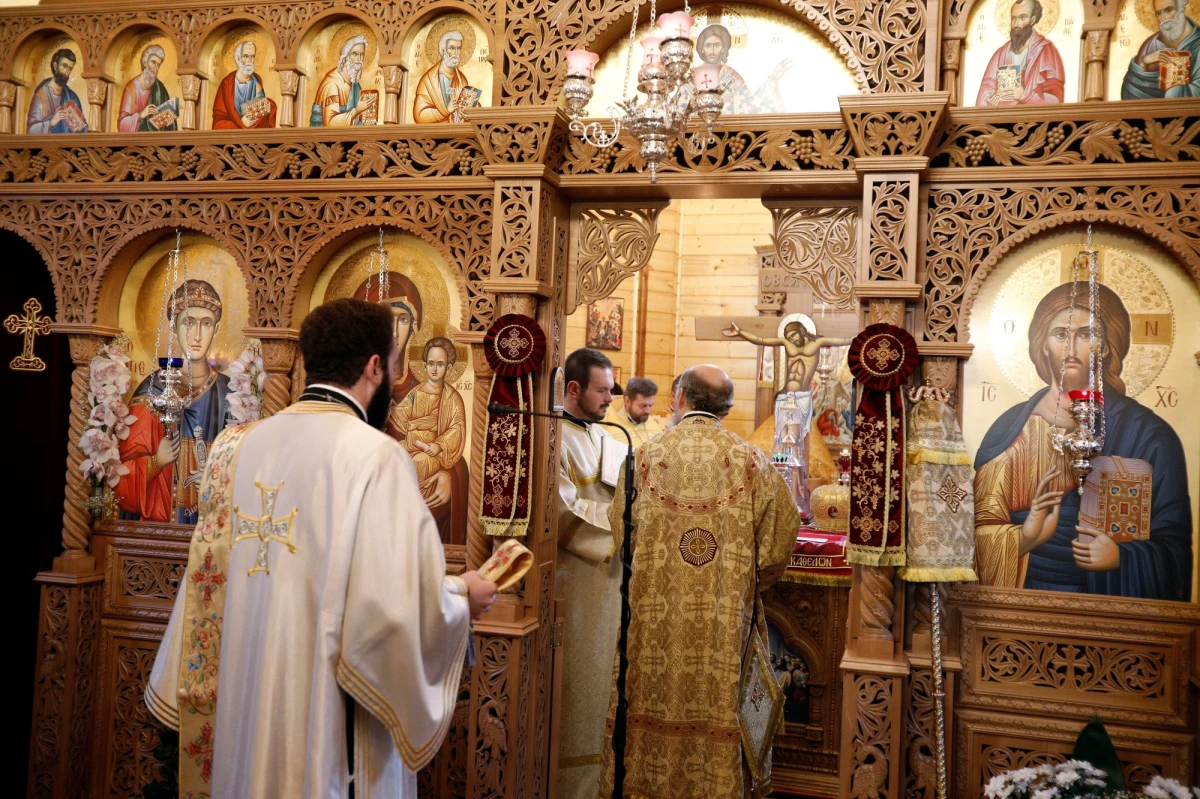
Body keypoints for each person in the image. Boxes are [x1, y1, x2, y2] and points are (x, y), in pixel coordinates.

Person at [144, 298, 497, 798]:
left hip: (245, 704)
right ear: (376, 367)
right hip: (327, 718)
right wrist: (462, 597)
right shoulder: (377, 457)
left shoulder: (236, 448)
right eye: (394, 366)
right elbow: (392, 609)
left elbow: (203, 592)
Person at [597, 365, 801, 799]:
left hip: (652, 625)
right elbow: (780, 540)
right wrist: (746, 584)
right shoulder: (753, 462)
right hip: (724, 627)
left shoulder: (644, 457)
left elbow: (620, 531)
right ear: (727, 408)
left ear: (679, 399)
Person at [974, 282, 1192, 600]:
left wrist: (1122, 558)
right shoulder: (1010, 432)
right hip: (1022, 608)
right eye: (1061, 334)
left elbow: (1175, 549)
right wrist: (1025, 537)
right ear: (1043, 344)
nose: (1072, 348)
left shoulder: (1149, 435)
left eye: (1087, 334)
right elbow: (972, 538)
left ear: (1105, 346)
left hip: (1109, 616)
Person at [555, 347, 620, 799]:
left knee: (602, 686)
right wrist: (621, 525)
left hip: (612, 581)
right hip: (572, 580)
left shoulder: (608, 438)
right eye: (602, 390)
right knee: (576, 687)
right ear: (574, 389)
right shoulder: (551, 436)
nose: (610, 399)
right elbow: (560, 512)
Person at [115, 280, 232, 524]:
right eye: (188, 322)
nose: (197, 335)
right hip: (159, 534)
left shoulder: (231, 394)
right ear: (173, 325)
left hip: (214, 529)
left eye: (206, 324)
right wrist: (156, 462)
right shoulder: (151, 392)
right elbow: (121, 485)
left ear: (217, 329)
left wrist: (218, 480)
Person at [388, 336, 469, 545]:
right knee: (391, 457)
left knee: (419, 463)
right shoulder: (416, 392)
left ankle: (411, 515)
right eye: (431, 364)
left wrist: (439, 444)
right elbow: (401, 415)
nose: (434, 369)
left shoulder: (451, 397)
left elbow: (456, 428)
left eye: (440, 364)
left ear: (449, 367)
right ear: (424, 365)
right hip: (411, 444)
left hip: (432, 454)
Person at [975, 0, 1065, 105]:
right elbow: (985, 92)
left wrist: (1025, 95)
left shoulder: (1047, 52)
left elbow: (1056, 100)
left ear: (1032, 20)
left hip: (1038, 120)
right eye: (1013, 19)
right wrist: (989, 102)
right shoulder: (1000, 55)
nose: (1016, 24)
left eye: (1022, 18)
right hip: (1003, 119)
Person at [723, 320, 851, 393]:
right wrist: (740, 333)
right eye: (789, 337)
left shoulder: (817, 342)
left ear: (802, 332)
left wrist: (863, 336)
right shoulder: (786, 343)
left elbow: (844, 340)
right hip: (786, 393)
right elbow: (760, 339)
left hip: (804, 393)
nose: (793, 340)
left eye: (794, 335)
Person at [690, 23, 792, 114]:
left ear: (723, 49)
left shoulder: (732, 76)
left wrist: (773, 78)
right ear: (701, 49)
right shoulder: (691, 77)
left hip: (729, 131)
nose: (712, 51)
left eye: (717, 45)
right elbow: (681, 108)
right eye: (708, 46)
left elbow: (751, 107)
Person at [1120, 0, 1200, 98]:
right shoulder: (1151, 44)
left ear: (1182, 8)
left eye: (1168, 10)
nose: (1163, 19)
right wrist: (1144, 63)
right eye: (1158, 13)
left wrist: (1174, 92)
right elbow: (1130, 92)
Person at [310, 34, 376, 127]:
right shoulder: (332, 84)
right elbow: (330, 124)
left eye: (362, 54)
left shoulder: (355, 84)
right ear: (345, 56)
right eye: (355, 54)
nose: (360, 59)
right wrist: (357, 111)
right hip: (323, 139)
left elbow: (356, 121)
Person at [212, 40, 277, 129]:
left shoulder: (256, 80)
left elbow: (262, 109)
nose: (250, 61)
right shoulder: (227, 83)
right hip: (232, 131)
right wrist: (242, 122)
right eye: (246, 56)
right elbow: (218, 119)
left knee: (270, 104)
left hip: (253, 131)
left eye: (252, 56)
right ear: (238, 58)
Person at [413, 30, 470, 123]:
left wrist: (468, 111)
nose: (456, 53)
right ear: (443, 50)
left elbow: (466, 106)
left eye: (459, 48)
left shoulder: (461, 80)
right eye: (452, 48)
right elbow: (419, 115)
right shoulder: (428, 81)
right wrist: (446, 111)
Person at [26, 48, 87, 133]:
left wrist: (80, 124)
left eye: (70, 69)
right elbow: (30, 130)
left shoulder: (72, 97)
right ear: (55, 66)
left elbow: (81, 132)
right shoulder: (41, 95)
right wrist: (51, 122)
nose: (66, 72)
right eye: (64, 66)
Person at [118, 45, 177, 132]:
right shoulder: (131, 88)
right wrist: (140, 115)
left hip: (156, 142)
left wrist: (170, 122)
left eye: (158, 65)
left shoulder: (160, 88)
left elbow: (168, 117)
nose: (155, 68)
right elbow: (121, 125)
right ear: (145, 62)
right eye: (153, 62)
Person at [603, 376, 663, 449]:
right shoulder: (609, 427)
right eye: (642, 406)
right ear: (627, 401)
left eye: (650, 405)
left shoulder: (654, 426)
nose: (647, 411)